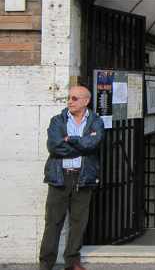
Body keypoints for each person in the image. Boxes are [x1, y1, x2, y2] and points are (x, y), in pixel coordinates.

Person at [39, 86, 105, 270]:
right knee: (53, 222)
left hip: (83, 177)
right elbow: (54, 147)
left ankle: (72, 262)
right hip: (59, 178)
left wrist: (70, 139)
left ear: (86, 101)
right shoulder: (57, 120)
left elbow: (94, 143)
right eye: (68, 97)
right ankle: (46, 264)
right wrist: (82, 146)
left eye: (74, 98)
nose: (69, 101)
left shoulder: (96, 121)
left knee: (78, 223)